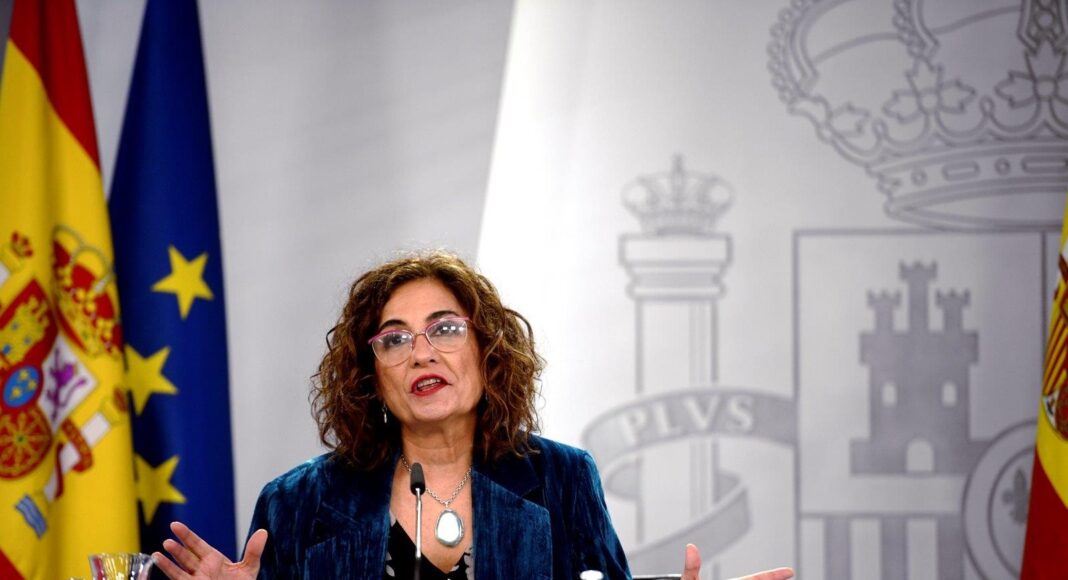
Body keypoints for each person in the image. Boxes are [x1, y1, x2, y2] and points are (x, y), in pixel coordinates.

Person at [153, 250, 794, 580]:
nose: (421, 352)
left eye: (445, 329)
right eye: (394, 339)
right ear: (370, 377)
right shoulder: (300, 502)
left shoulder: (562, 480)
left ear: (488, 353)